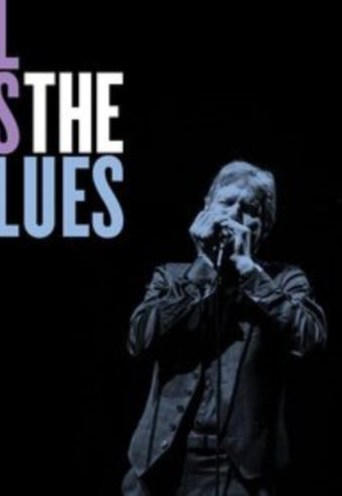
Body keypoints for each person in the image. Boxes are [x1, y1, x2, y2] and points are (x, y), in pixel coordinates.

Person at [122, 161, 327, 495]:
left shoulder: (285, 280)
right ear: (206, 208)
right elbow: (138, 340)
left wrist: (249, 272)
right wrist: (202, 268)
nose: (234, 215)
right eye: (226, 202)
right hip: (159, 466)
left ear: (265, 226)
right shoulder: (172, 276)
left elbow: (311, 340)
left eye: (249, 209)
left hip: (240, 475)